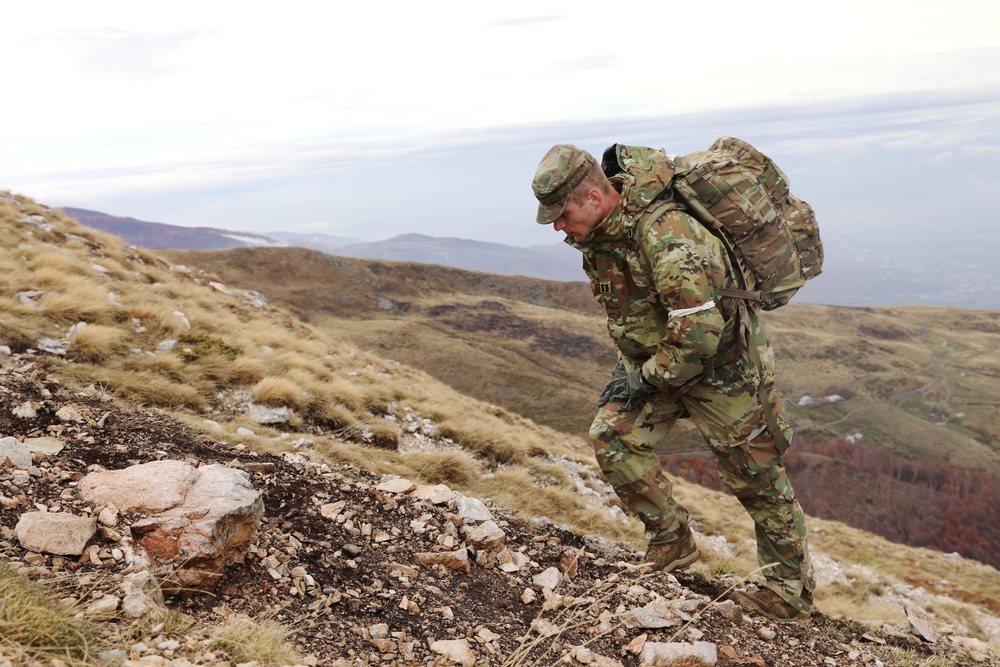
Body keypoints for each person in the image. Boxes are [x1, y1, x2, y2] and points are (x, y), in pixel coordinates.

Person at [530, 143, 815, 621]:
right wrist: (629, 369)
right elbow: (631, 312)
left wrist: (647, 377)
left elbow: (700, 333)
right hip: (660, 367)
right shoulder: (601, 239)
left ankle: (789, 595)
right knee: (613, 437)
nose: (559, 225)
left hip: (726, 370)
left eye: (562, 212)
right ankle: (671, 542)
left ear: (595, 199)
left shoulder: (667, 235)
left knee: (757, 478)